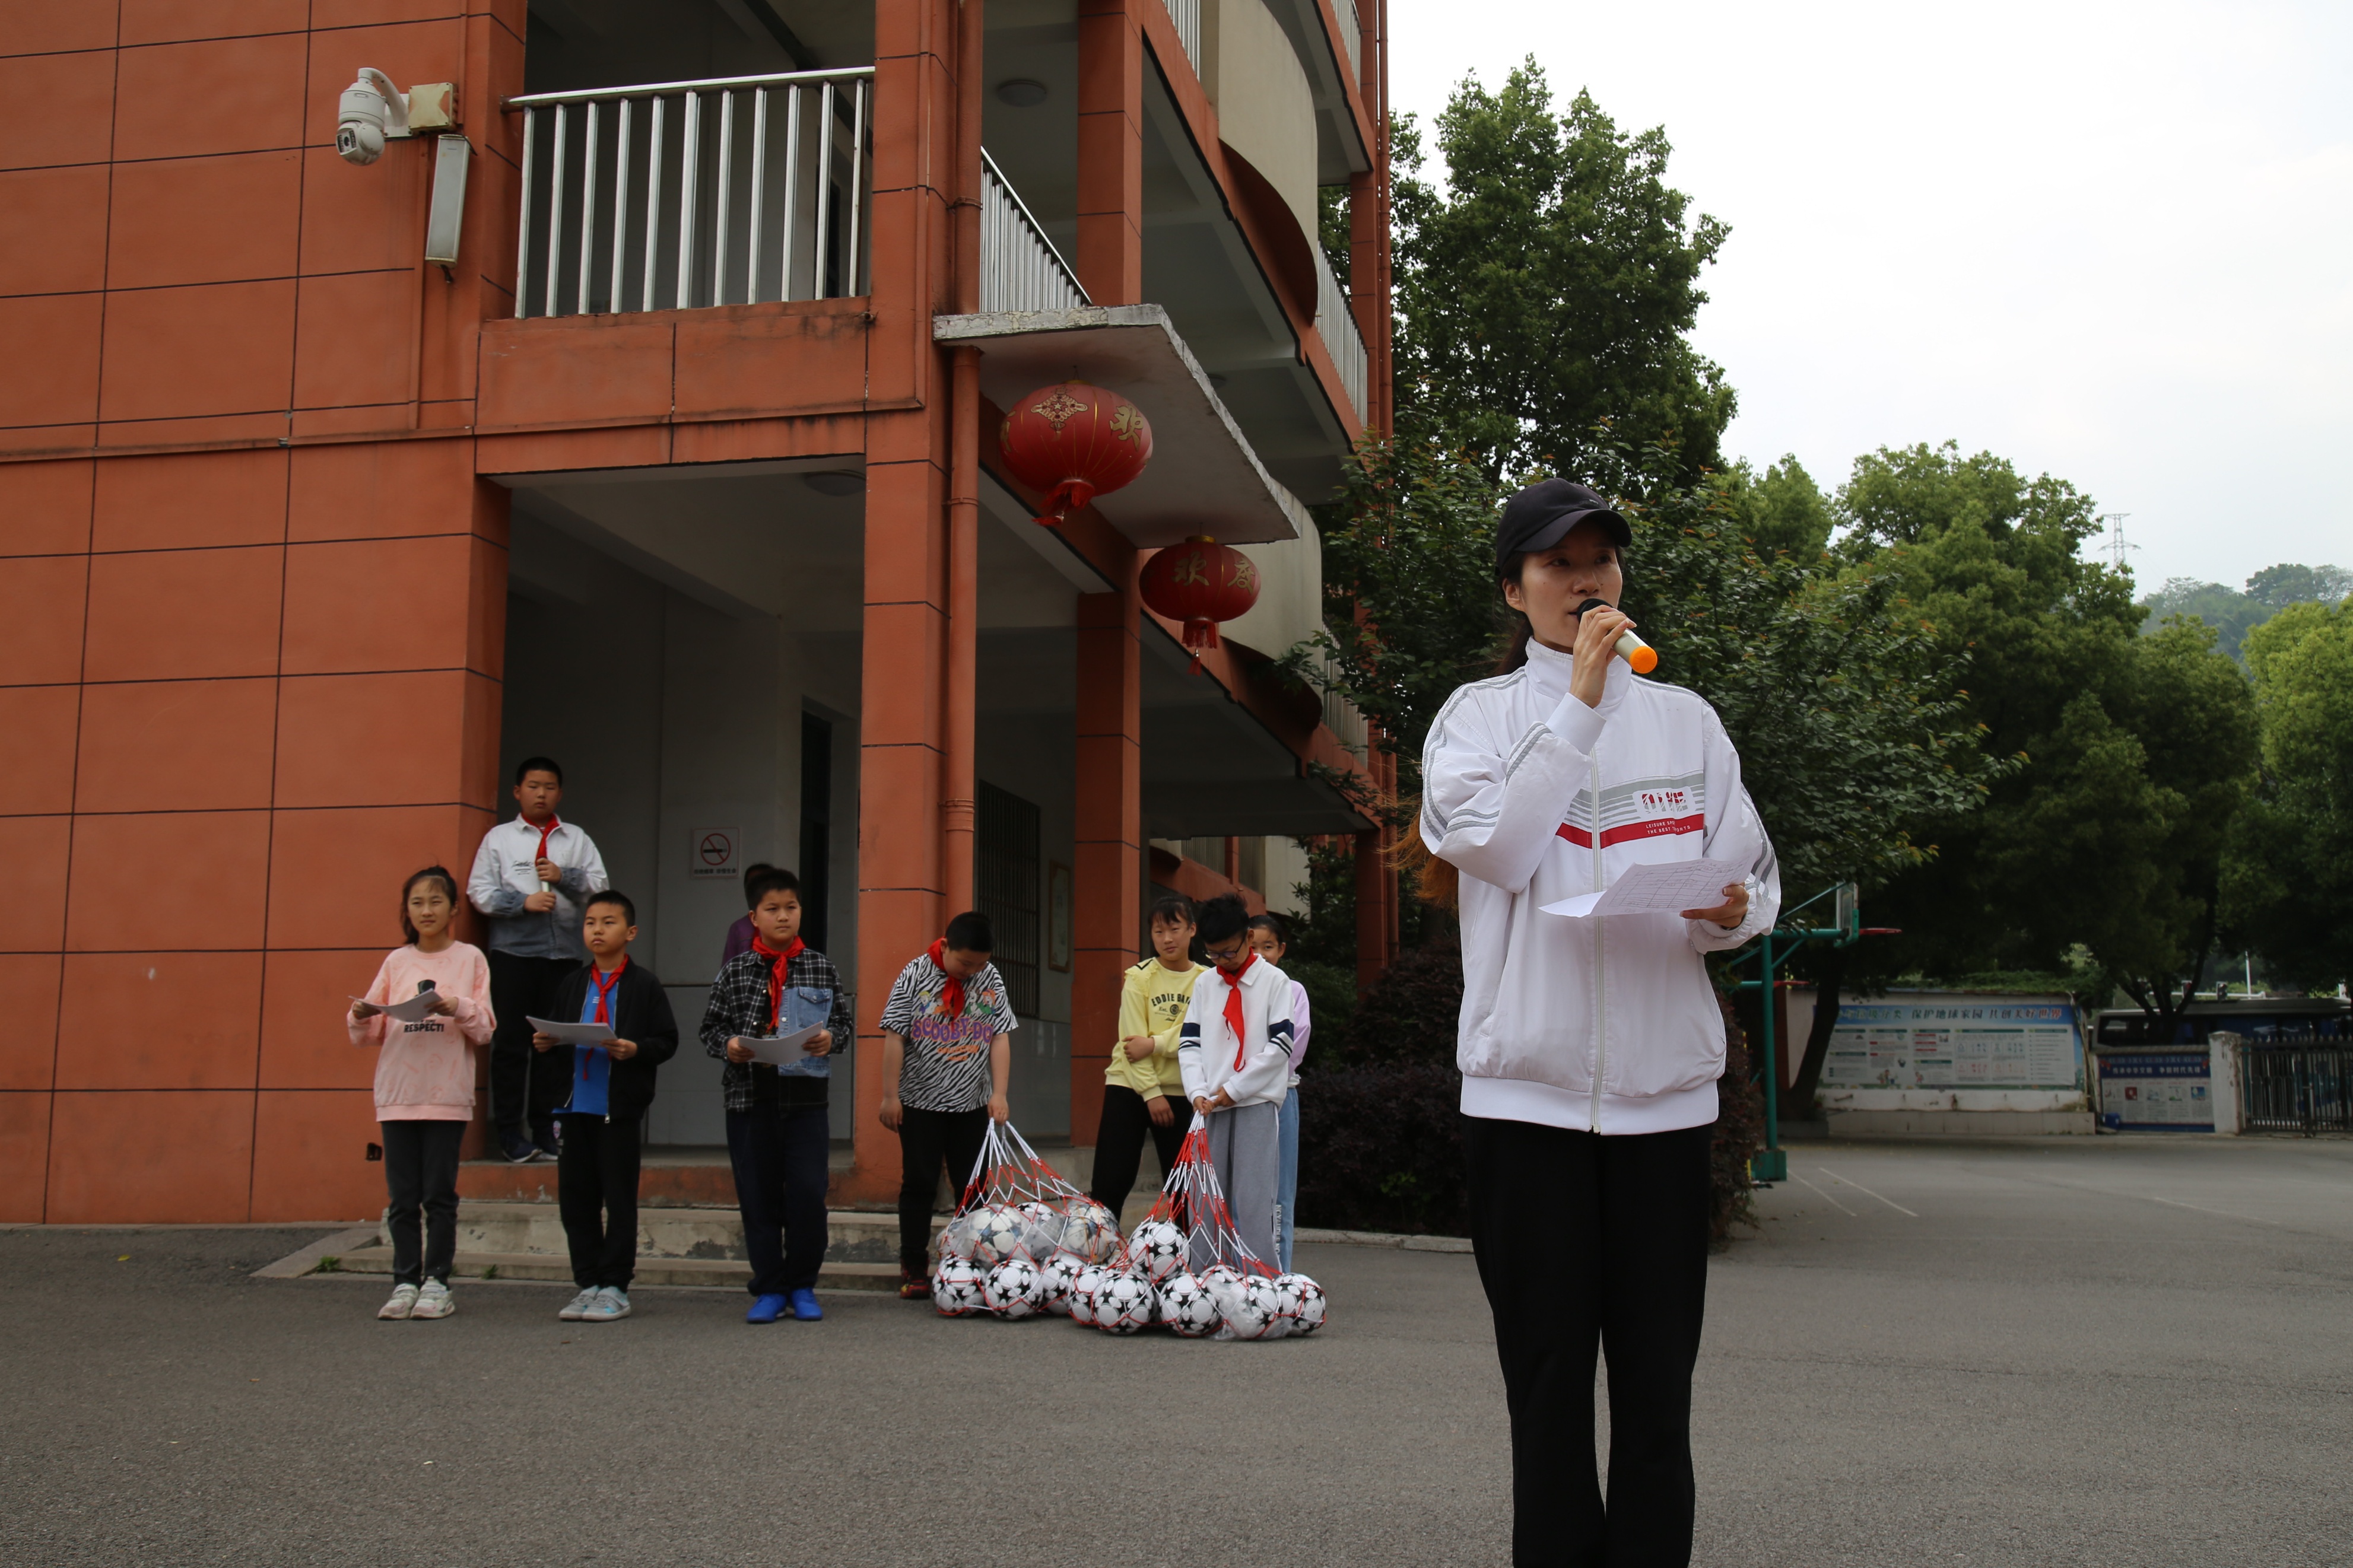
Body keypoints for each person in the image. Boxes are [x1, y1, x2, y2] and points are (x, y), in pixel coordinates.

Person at [1420, 478, 1779, 1567]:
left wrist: (1730, 908)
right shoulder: (1477, 718)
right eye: (1557, 563)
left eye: (1602, 559)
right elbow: (1493, 847)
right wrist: (1575, 709)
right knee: (1548, 1390)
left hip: (1666, 1109)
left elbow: (1753, 879)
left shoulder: (1687, 721)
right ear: (1514, 587)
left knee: (1660, 1395)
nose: (1586, 579)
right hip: (1526, 1105)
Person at [701, 866, 853, 1324]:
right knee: (758, 1194)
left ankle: (803, 1283)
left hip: (805, 1102)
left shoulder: (820, 965)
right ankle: (769, 1285)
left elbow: (844, 1025)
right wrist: (729, 1046)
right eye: (773, 909)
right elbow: (710, 1029)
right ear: (754, 917)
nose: (783, 916)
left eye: (791, 907)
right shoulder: (735, 970)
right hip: (749, 1101)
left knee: (808, 1192)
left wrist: (831, 1037)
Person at [348, 866, 496, 1322]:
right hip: (398, 1092)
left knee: (438, 1194)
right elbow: (368, 1031)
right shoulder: (397, 961)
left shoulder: (470, 958)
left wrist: (458, 1006)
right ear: (406, 910)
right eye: (417, 902)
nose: (426, 910)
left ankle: (437, 1282)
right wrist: (358, 1013)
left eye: (435, 901)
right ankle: (404, 1281)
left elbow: (486, 1027)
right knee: (402, 1196)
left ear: (454, 908)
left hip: (445, 1093)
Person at [532, 890, 677, 1325]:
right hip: (574, 1107)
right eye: (591, 922)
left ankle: (615, 1284)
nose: (597, 929)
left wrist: (635, 1049)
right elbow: (557, 1030)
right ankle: (587, 1282)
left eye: (608, 922)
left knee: (618, 1197)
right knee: (576, 1199)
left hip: (617, 1109)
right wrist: (545, 1042)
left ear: (630, 932)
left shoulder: (644, 984)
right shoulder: (573, 983)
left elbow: (666, 1040)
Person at [467, 756, 609, 1163]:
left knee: (557, 1045)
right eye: (533, 786)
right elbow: (478, 892)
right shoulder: (499, 838)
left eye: (549, 786)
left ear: (559, 793)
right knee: (511, 1045)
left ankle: (547, 1130)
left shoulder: (575, 839)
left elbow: (601, 888)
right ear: (518, 791)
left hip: (563, 955)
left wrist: (564, 876)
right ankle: (511, 1134)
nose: (541, 793)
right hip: (513, 956)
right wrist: (522, 902)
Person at [876, 910, 1017, 1298]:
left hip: (972, 1104)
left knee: (973, 1187)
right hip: (919, 1102)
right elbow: (893, 1037)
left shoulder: (990, 978)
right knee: (919, 1181)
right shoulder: (915, 975)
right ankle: (914, 1264)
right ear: (946, 945)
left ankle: (969, 1260)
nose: (971, 970)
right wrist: (890, 1096)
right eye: (964, 962)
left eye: (979, 963)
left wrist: (999, 1093)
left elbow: (1000, 1036)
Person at [1176, 893, 1293, 1270]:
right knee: (1206, 1196)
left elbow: (1280, 1048)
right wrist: (1197, 1091)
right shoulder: (1206, 984)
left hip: (1255, 1102)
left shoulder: (1275, 981)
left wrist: (1236, 1089)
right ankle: (1203, 1282)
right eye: (1213, 955)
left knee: (1254, 1198)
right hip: (1210, 1104)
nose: (1222, 961)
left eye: (1229, 952)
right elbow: (1189, 1044)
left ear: (1247, 938)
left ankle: (1262, 1284)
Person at [1085, 895, 1204, 1224]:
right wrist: (1151, 1094)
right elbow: (1130, 1044)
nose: (1167, 939)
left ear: (1192, 930)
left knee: (1184, 1183)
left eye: (1175, 929)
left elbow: (1200, 1034)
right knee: (1111, 1179)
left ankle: (1185, 1259)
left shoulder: (1207, 981)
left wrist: (1154, 1044)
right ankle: (1099, 1253)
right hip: (1129, 1086)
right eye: (1158, 932)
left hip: (1182, 1089)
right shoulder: (1139, 978)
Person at [1246, 912, 1312, 1270]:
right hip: (1238, 1102)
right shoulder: (1232, 991)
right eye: (1252, 947)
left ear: (1281, 950)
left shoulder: (1293, 991)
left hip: (1281, 1098)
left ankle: (1279, 1275)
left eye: (1268, 947)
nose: (1259, 955)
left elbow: (1291, 1048)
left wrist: (1247, 1077)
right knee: (1243, 1192)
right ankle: (1241, 1275)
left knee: (1280, 1193)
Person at [719, 862, 777, 965]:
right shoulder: (738, 928)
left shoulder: (782, 922)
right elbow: (727, 968)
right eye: (751, 886)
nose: (757, 891)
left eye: (764, 885)